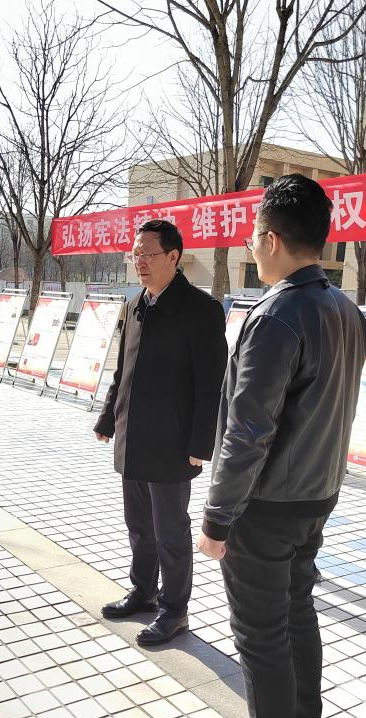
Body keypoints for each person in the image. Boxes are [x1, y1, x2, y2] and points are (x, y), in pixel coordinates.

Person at [197, 175, 366, 718]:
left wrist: (218, 517)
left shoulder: (276, 315)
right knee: (297, 610)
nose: (250, 246)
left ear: (271, 239)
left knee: (261, 636)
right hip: (318, 493)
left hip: (265, 504)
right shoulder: (346, 310)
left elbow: (248, 430)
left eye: (253, 236)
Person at [95, 219, 227, 647]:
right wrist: (108, 418)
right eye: (135, 254)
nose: (140, 262)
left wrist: (200, 443)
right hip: (133, 435)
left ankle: (175, 610)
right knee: (138, 525)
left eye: (148, 254)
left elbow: (211, 384)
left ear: (173, 256)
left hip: (172, 442)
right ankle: (144, 591)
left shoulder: (200, 310)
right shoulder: (136, 304)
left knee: (170, 531)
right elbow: (123, 370)